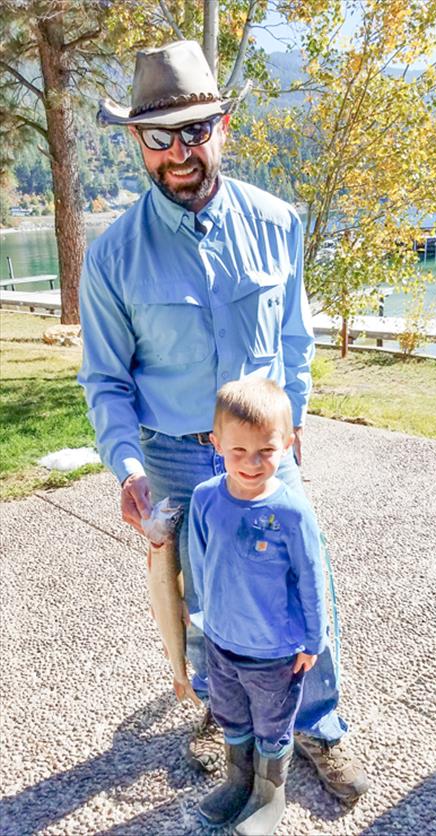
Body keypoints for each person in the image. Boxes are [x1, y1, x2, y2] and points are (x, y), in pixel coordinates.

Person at [78, 39, 367, 803]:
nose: (180, 152)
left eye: (195, 130)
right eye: (159, 135)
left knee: (306, 581)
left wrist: (292, 421)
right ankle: (226, 709)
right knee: (204, 597)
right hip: (172, 457)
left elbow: (297, 340)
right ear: (137, 142)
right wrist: (128, 468)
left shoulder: (279, 223)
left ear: (224, 126)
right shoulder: (111, 258)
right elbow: (105, 381)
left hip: (266, 451)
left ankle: (319, 725)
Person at [189, 379, 329, 834]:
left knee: (271, 725)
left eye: (266, 451)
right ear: (217, 444)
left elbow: (311, 577)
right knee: (231, 716)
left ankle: (270, 795)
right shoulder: (205, 498)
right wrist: (206, 621)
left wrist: (314, 638)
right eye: (238, 451)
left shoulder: (292, 510)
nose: (251, 463)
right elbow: (200, 561)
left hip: (274, 654)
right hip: (222, 643)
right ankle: (238, 781)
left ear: (287, 444)